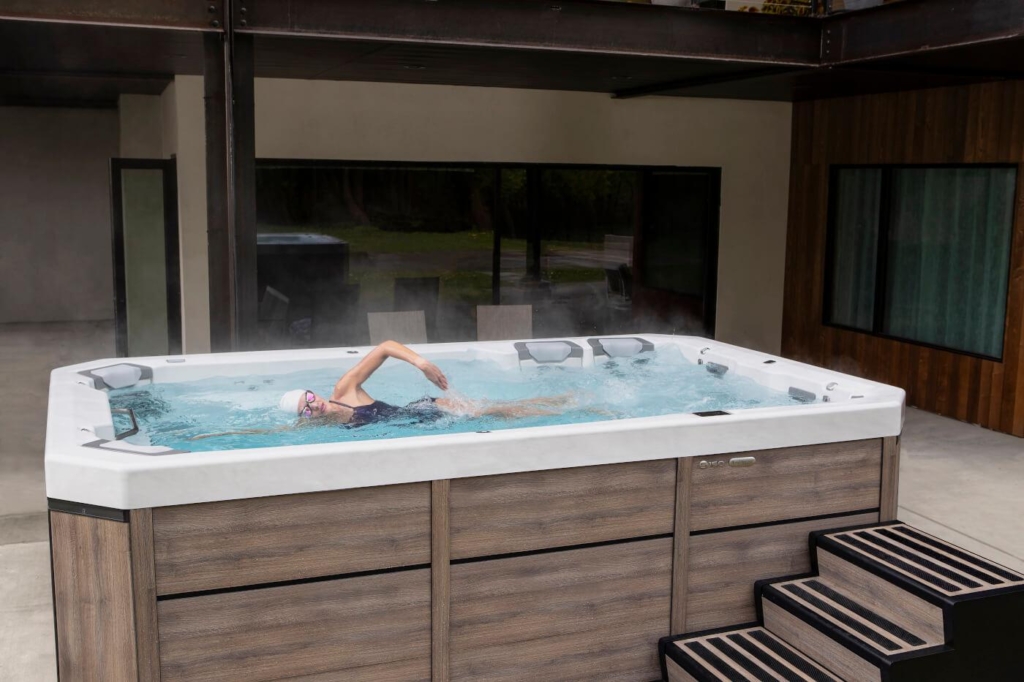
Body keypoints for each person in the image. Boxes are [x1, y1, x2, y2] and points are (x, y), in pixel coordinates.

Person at [276, 339, 572, 427]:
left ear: (312, 392)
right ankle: (562, 404)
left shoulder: (344, 391)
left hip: (425, 408)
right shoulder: (322, 427)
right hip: (423, 424)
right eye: (306, 410)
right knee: (497, 410)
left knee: (496, 411)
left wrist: (421, 364)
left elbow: (385, 347)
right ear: (304, 419)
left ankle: (565, 410)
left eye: (309, 398)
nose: (314, 406)